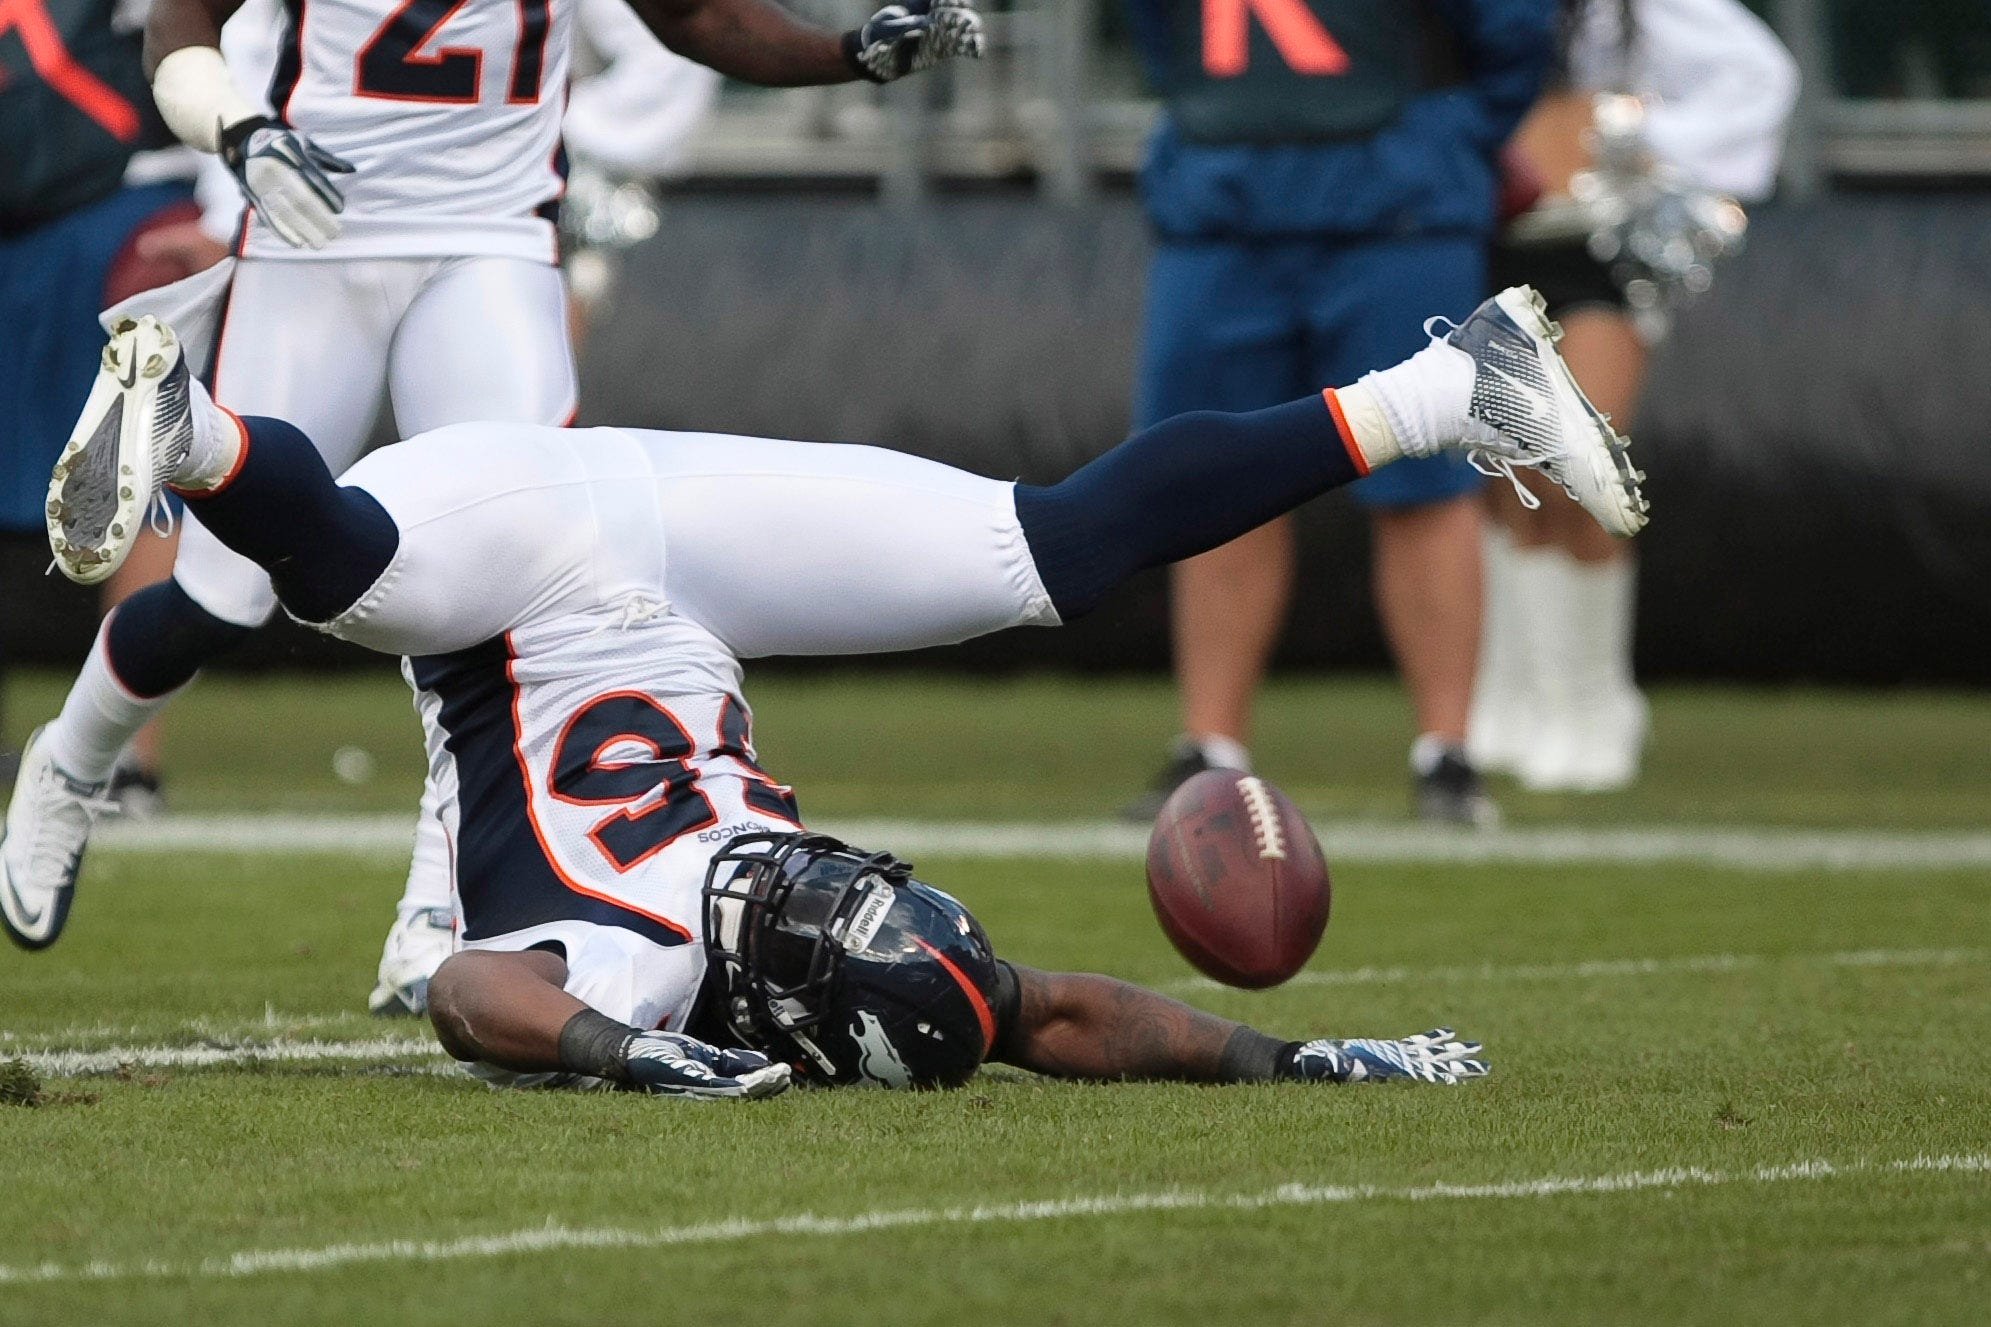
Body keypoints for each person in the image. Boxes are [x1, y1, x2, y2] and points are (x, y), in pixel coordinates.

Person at [16, 286, 1640, 1084]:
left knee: (349, 569)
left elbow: (477, 998)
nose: (830, 874)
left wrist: (623, 1054)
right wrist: (1311, 1060)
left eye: (820, 904)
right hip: (682, 563)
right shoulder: (787, 948)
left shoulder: (640, 963)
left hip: (506, 549)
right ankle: (1446, 386)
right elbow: (1056, 1010)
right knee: (1054, 551)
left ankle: (204, 435)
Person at [0, 0, 986, 1012]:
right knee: (222, 595)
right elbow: (180, 25)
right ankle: (72, 760)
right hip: (313, 231)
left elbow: (690, 18)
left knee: (513, 594)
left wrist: (842, 55)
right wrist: (242, 133)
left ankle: (438, 910)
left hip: (490, 242)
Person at [1118, 0, 1559, 828]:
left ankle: (1447, 750)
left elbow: (1514, 32)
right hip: (1225, 203)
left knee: (1424, 478)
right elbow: (1155, 31)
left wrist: (1441, 136)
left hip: (1394, 206)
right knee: (1210, 482)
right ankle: (1210, 744)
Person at [1469, 0, 1793, 791]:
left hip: (1598, 245)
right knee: (1505, 478)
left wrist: (1629, 135)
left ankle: (1594, 701)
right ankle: (1523, 695)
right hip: (1484, 238)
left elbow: (1760, 75)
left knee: (1578, 465)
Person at [0, 0, 226, 814]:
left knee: (142, 464)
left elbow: (208, 35)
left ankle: (128, 757)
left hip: (126, 202)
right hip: (32, 209)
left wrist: (225, 202)